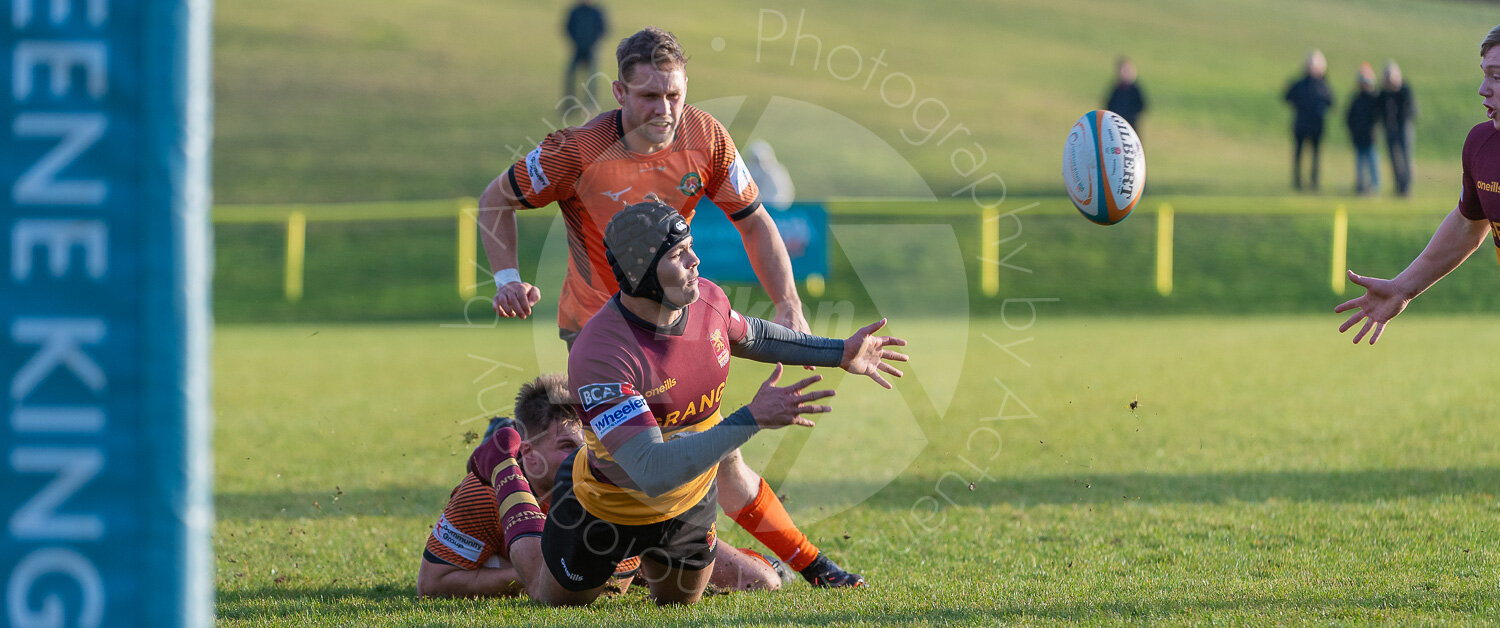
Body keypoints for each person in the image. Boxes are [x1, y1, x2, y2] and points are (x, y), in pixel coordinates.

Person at [476, 27, 864, 588]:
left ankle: (810, 565)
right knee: (628, 472)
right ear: (618, 92)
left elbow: (754, 218)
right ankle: (519, 487)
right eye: (648, 96)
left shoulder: (706, 137)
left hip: (676, 329)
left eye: (674, 95)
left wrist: (788, 303)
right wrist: (507, 277)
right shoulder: (576, 151)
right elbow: (496, 198)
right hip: (598, 334)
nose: (664, 109)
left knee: (713, 458)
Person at [465, 201, 908, 606]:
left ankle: (645, 567)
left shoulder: (708, 300)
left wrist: (838, 352)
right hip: (606, 507)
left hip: (688, 504)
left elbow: (755, 334)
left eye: (691, 247)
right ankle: (504, 467)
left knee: (681, 605)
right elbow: (652, 471)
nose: (695, 261)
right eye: (679, 254)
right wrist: (751, 418)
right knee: (551, 599)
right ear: (641, 270)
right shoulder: (601, 353)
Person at [416, 374, 788, 598]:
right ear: (527, 454)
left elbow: (616, 580)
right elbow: (432, 584)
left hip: (636, 544)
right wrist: (535, 575)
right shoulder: (483, 492)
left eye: (590, 446)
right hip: (592, 549)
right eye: (567, 447)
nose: (585, 458)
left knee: (763, 581)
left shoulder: (608, 479)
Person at [1336, 25, 1500, 344]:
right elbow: (1468, 226)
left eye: (1497, 76)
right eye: (1484, 74)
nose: (1483, 88)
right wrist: (1402, 287)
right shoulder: (1481, 145)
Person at [1285, 50, 1334, 191]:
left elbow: (1331, 102)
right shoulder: (1300, 84)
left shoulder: (1324, 85)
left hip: (1317, 126)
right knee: (1299, 154)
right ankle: (1297, 181)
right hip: (1301, 125)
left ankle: (1314, 182)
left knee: (1316, 156)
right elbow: (1287, 96)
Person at [1379, 60, 1418, 196]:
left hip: (1404, 128)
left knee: (1406, 158)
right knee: (1393, 159)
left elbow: (1412, 109)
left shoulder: (1405, 90)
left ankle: (1407, 187)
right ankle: (1398, 187)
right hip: (1389, 129)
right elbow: (1379, 109)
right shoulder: (1384, 93)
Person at [1346, 63, 1381, 195]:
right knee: (1360, 164)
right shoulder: (1356, 99)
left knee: (1373, 163)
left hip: (1371, 137)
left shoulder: (1375, 98)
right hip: (1359, 137)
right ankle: (1361, 186)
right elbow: (1349, 117)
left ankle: (1375, 186)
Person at [562, 0, 607, 103]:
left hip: (591, 50)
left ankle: (590, 103)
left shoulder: (596, 11)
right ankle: (569, 102)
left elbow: (602, 29)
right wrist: (575, 42)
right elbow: (568, 27)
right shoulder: (575, 11)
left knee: (592, 78)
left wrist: (594, 43)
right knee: (571, 75)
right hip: (577, 49)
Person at [1104, 56, 1147, 131]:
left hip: (1131, 126)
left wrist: (1131, 115)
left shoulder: (1134, 89)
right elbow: (1108, 105)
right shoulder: (1117, 89)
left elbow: (1142, 105)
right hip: (1117, 126)